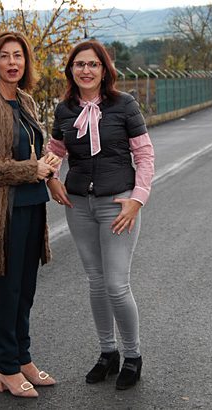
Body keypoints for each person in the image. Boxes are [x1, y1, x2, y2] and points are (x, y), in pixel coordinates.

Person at [46, 40, 155, 390]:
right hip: (79, 206)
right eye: (79, 64)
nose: (86, 70)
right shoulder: (64, 110)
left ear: (104, 69)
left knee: (116, 284)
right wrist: (51, 179)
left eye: (93, 64)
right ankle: (108, 354)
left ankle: (133, 357)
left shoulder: (124, 106)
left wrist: (137, 199)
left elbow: (145, 156)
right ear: (71, 70)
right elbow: (54, 151)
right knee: (95, 282)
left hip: (118, 204)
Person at [0, 31, 60, 398]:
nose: (12, 63)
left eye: (18, 56)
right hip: (1, 215)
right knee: (6, 291)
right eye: (5, 56)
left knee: (26, 291)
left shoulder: (27, 102)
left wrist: (46, 165)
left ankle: (23, 359)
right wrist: (29, 170)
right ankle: (5, 368)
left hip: (33, 207)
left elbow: (33, 150)